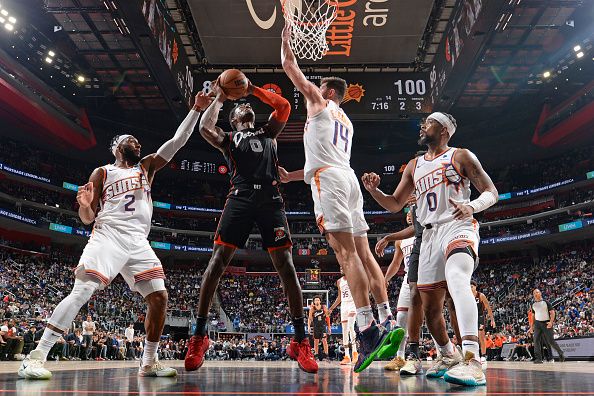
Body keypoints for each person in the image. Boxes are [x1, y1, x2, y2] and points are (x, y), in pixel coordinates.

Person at [17, 91, 213, 380]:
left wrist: (195, 109)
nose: (138, 143)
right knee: (82, 291)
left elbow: (177, 142)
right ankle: (35, 358)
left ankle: (148, 361)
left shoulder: (146, 167)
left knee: (159, 297)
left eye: (138, 141)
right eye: (131, 141)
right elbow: (87, 218)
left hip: (138, 242)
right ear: (118, 148)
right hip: (108, 236)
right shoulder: (102, 173)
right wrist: (85, 207)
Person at [280, 20, 403, 373]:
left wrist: (286, 40)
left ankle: (366, 331)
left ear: (329, 92)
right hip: (346, 178)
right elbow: (324, 154)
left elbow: (291, 69)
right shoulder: (346, 121)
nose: (313, 91)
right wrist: (291, 176)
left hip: (330, 182)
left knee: (344, 253)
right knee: (364, 253)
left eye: (319, 88)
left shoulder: (320, 103)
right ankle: (387, 320)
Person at [183, 79, 317, 374]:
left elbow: (283, 105)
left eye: (247, 105)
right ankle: (199, 335)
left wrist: (252, 89)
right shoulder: (229, 138)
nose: (245, 107)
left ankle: (300, 340)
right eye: (239, 106)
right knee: (217, 262)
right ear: (232, 119)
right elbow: (205, 129)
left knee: (286, 266)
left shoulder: (269, 130)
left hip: (270, 200)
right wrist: (218, 98)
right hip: (240, 198)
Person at [362, 112, 499, 386]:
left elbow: (491, 192)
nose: (423, 126)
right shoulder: (414, 165)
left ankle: (472, 359)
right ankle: (448, 354)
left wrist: (471, 206)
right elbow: (394, 204)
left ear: (445, 130)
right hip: (428, 235)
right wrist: (374, 191)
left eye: (429, 122)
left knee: (458, 279)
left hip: (458, 225)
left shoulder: (460, 156)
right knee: (429, 306)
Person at [383, 211, 415, 371]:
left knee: (431, 315)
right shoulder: (401, 240)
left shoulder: (426, 230)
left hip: (427, 275)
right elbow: (396, 263)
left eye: (412, 210)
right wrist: (385, 279)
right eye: (407, 213)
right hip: (408, 278)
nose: (409, 214)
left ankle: (442, 354)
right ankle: (400, 357)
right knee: (401, 316)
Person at [328, 270, 358, 365]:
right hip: (344, 305)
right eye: (340, 268)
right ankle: (347, 356)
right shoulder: (339, 281)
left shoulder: (354, 277)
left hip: (353, 304)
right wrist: (331, 308)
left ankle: (355, 353)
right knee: (344, 330)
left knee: (350, 327)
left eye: (343, 267)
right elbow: (340, 297)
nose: (341, 269)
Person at [528, 289, 565, 364]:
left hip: (546, 323)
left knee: (550, 341)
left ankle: (560, 353)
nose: (536, 293)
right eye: (534, 293)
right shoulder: (533, 305)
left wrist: (551, 322)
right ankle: (538, 358)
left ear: (540, 293)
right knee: (536, 341)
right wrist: (531, 327)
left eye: (537, 292)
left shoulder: (546, 302)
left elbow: (552, 312)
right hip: (537, 324)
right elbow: (533, 316)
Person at [471, 281, 495, 364]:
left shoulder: (481, 295)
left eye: (472, 286)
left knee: (481, 335)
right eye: (469, 287)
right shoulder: (467, 296)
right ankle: (474, 355)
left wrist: (492, 320)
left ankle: (484, 355)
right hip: (471, 318)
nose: (471, 288)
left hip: (480, 317)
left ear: (475, 287)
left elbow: (488, 308)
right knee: (472, 337)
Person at [308, 296, 331, 361]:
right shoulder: (312, 309)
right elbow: (309, 319)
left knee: (324, 341)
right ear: (314, 302)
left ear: (320, 301)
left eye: (318, 300)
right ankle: (316, 356)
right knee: (316, 341)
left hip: (323, 326)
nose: (317, 301)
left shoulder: (324, 307)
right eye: (316, 300)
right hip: (316, 327)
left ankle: (326, 356)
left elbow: (327, 317)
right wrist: (309, 327)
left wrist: (329, 327)